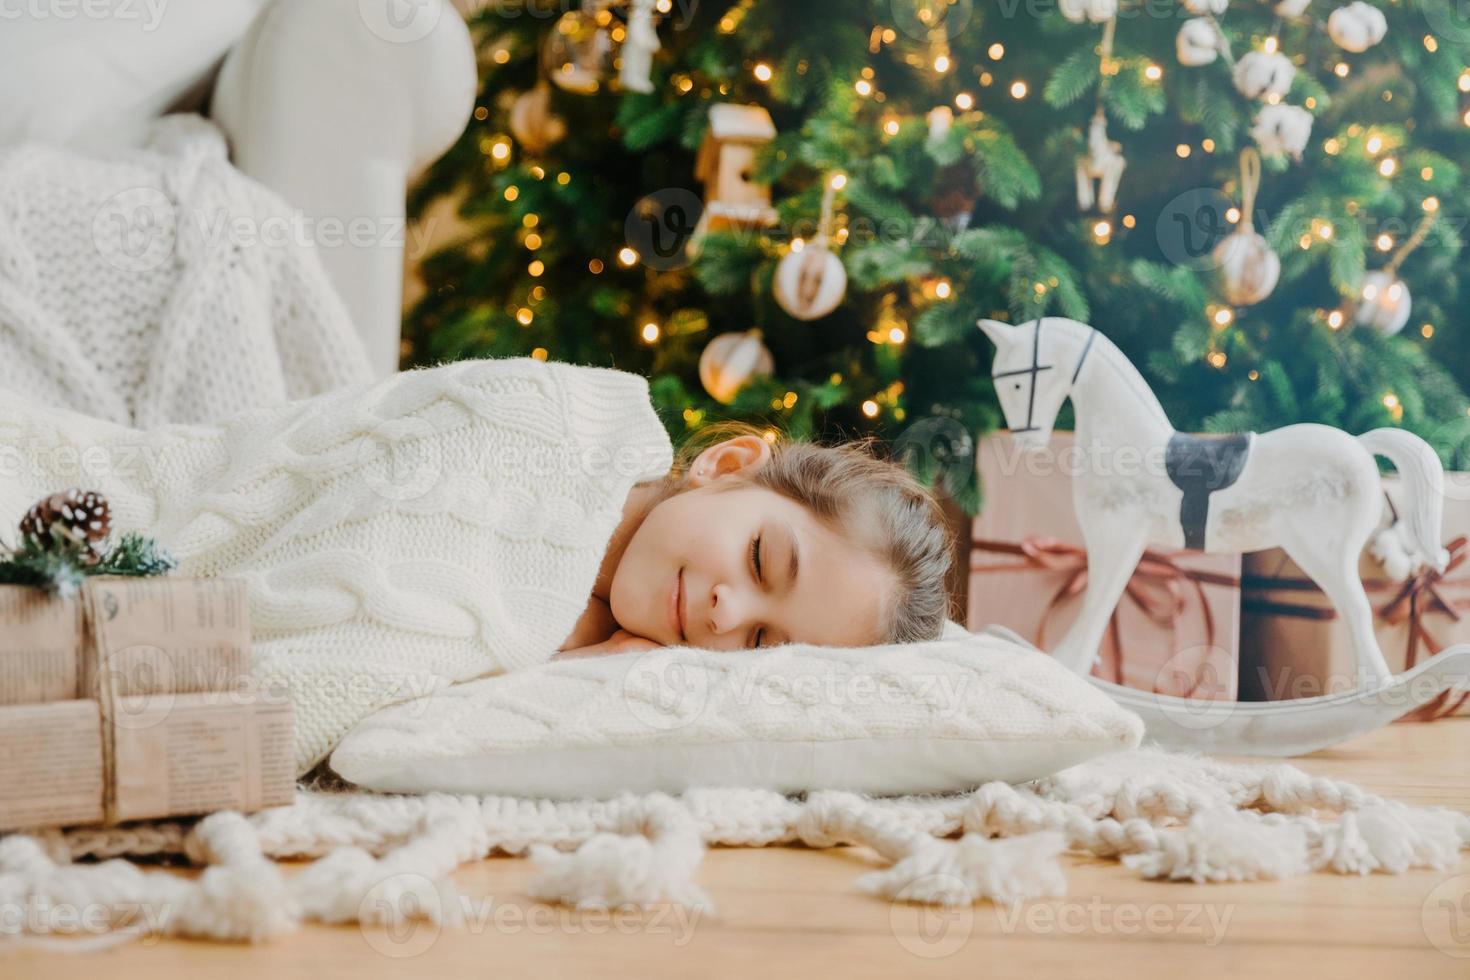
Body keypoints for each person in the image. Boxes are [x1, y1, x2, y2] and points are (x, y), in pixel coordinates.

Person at [558, 423, 956, 657]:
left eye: (760, 642)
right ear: (727, 466)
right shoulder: (561, 442)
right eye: (758, 559)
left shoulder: (597, 635)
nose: (725, 615)